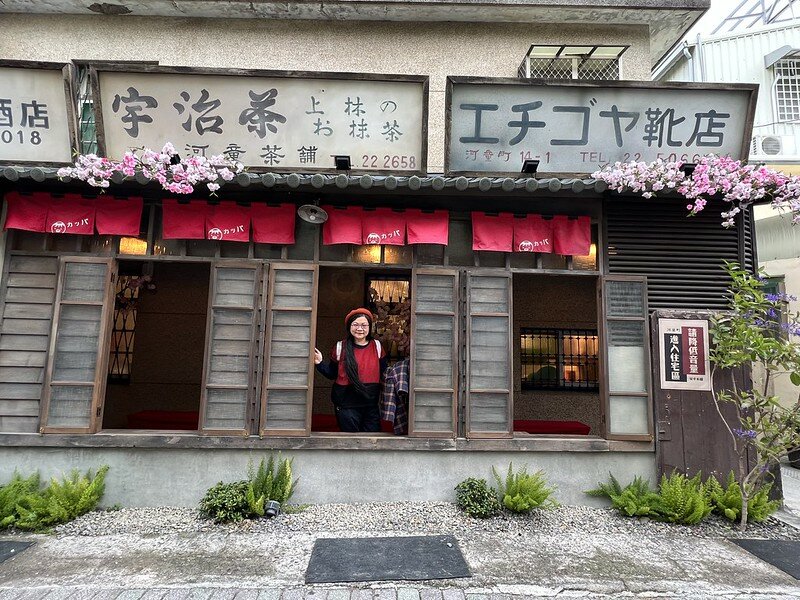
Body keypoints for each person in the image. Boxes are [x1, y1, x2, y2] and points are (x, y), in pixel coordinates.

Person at [314, 308, 388, 432]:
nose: (360, 328)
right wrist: (320, 363)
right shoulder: (340, 347)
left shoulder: (377, 346)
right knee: (350, 439)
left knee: (372, 439)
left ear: (370, 327)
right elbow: (332, 374)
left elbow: (384, 374)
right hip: (346, 405)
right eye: (355, 324)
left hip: (370, 404)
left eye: (364, 325)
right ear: (349, 326)